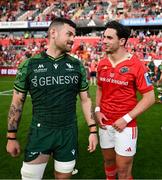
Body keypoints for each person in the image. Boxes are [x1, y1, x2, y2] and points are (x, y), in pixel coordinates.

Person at [6, 18, 98, 180]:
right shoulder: (29, 64)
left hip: (68, 133)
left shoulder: (77, 66)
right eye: (69, 34)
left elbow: (85, 100)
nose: (73, 39)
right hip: (40, 132)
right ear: (53, 33)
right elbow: (17, 102)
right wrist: (11, 136)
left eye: (74, 35)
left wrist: (92, 130)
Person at [95, 21, 155, 180]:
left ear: (122, 41)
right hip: (105, 123)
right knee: (108, 162)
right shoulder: (102, 63)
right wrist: (97, 110)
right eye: (103, 37)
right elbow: (100, 88)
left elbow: (150, 98)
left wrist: (126, 119)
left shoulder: (136, 65)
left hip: (126, 126)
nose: (104, 41)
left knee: (123, 170)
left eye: (109, 38)